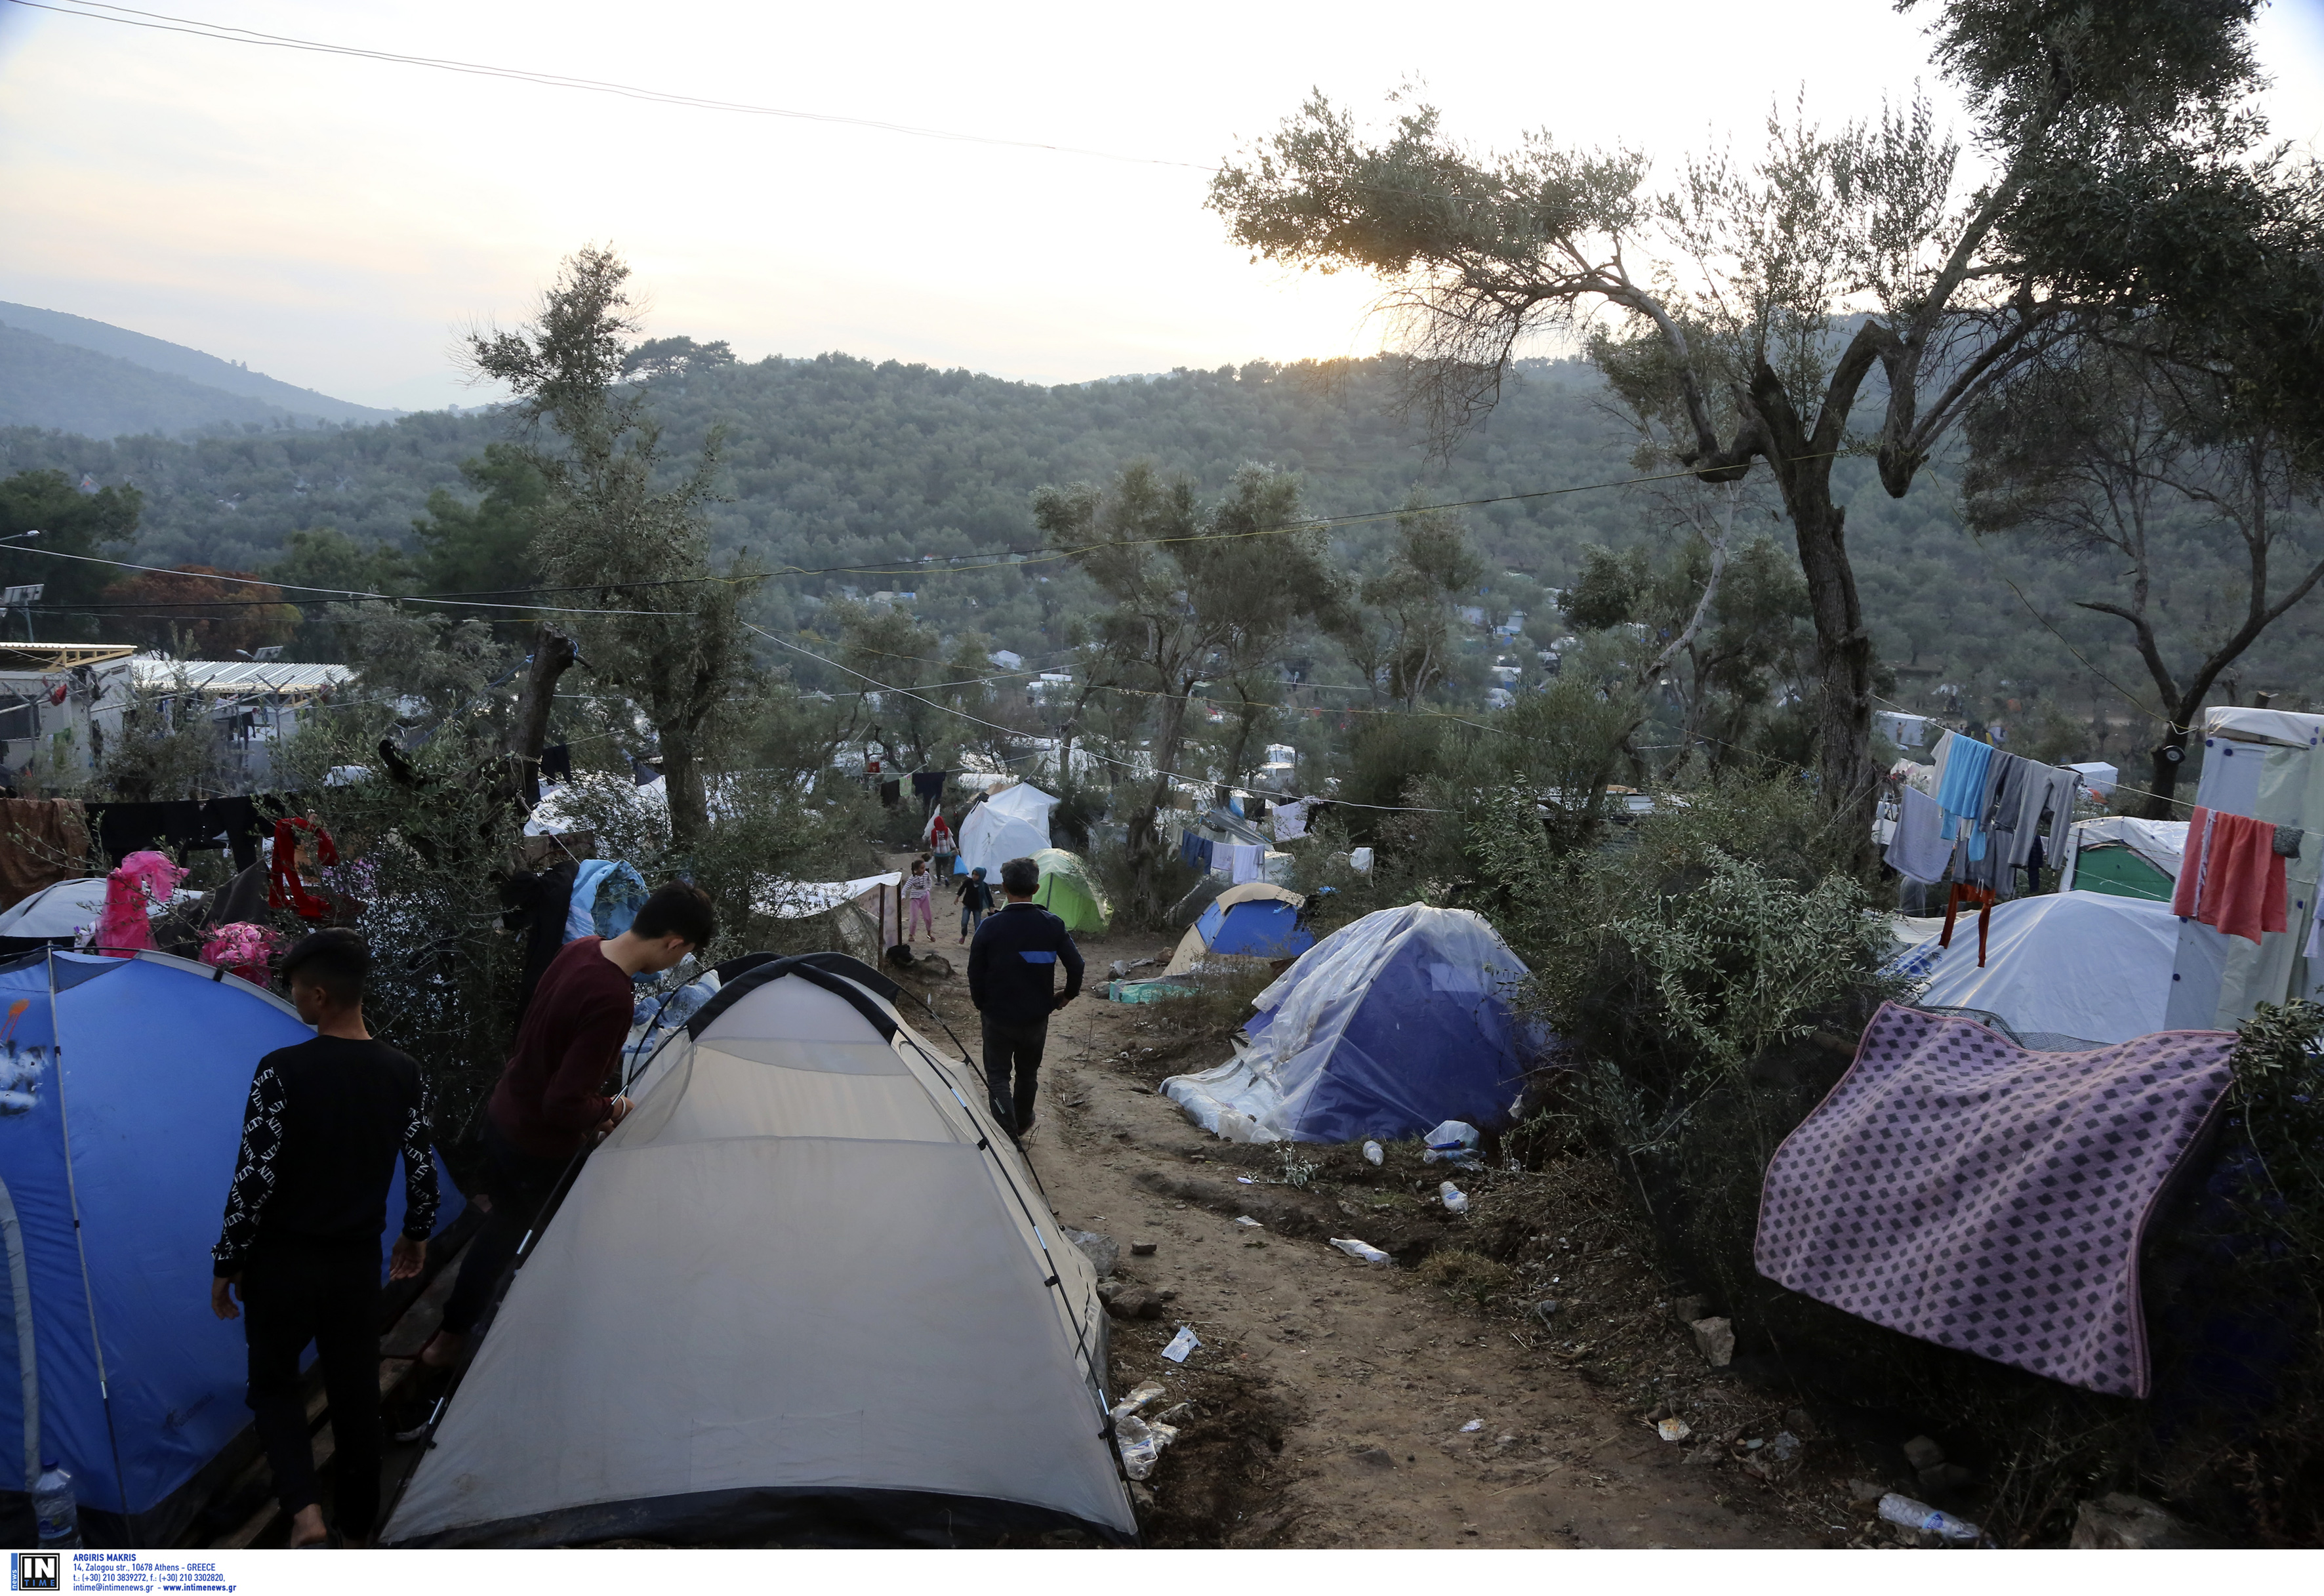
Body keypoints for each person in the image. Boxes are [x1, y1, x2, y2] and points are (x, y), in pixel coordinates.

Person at [420, 881, 713, 1370]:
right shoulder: (612, 996)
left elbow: (539, 1040)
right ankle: (483, 1344)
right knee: (557, 1236)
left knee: (501, 1229)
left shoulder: (581, 949)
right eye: (686, 954)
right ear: (674, 943)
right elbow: (564, 1103)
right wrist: (610, 1110)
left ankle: (452, 1338)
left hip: (505, 1112)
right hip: (536, 1142)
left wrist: (589, 1106)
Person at [210, 928, 436, 1549]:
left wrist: (227, 1260)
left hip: (282, 1262)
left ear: (317, 995)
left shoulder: (280, 1071)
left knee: (275, 1384)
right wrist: (416, 1233)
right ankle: (358, 1524)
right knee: (354, 1385)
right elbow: (420, 1163)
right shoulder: (403, 1072)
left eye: (296, 994)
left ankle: (305, 1515)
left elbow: (253, 1177)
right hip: (355, 1265)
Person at [966, 855, 1082, 1137]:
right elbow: (1076, 964)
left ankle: (1006, 1133)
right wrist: (1067, 995)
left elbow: (974, 971)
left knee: (997, 1076)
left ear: (1004, 887)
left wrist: (981, 1003)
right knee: (1028, 1074)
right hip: (1036, 1016)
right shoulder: (1052, 925)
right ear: (1037, 888)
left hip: (997, 1015)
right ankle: (1022, 1123)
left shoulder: (989, 927)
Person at [956, 864, 993, 946]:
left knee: (977, 925)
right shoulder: (968, 882)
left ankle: (977, 941)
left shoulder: (984, 886)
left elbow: (988, 897)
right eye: (973, 874)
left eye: (977, 875)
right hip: (967, 906)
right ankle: (963, 936)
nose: (974, 876)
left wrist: (991, 907)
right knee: (964, 922)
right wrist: (957, 897)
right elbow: (962, 888)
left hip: (977, 908)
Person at [903, 855, 936, 943]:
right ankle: (911, 934)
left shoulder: (926, 874)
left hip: (925, 896)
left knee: (928, 917)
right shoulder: (912, 878)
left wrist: (928, 889)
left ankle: (929, 933)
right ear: (916, 870)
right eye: (922, 868)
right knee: (914, 918)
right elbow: (905, 888)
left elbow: (930, 882)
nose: (924, 870)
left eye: (924, 867)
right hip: (915, 898)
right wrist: (903, 897)